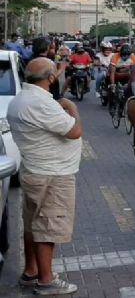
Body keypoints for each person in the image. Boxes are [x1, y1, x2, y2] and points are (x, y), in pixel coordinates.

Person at [8, 58, 82, 295]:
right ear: (51, 78)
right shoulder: (41, 103)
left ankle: (31, 272)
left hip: (35, 170)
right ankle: (46, 280)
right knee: (48, 226)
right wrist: (73, 110)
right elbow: (74, 131)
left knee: (33, 225)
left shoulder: (21, 98)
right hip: (52, 174)